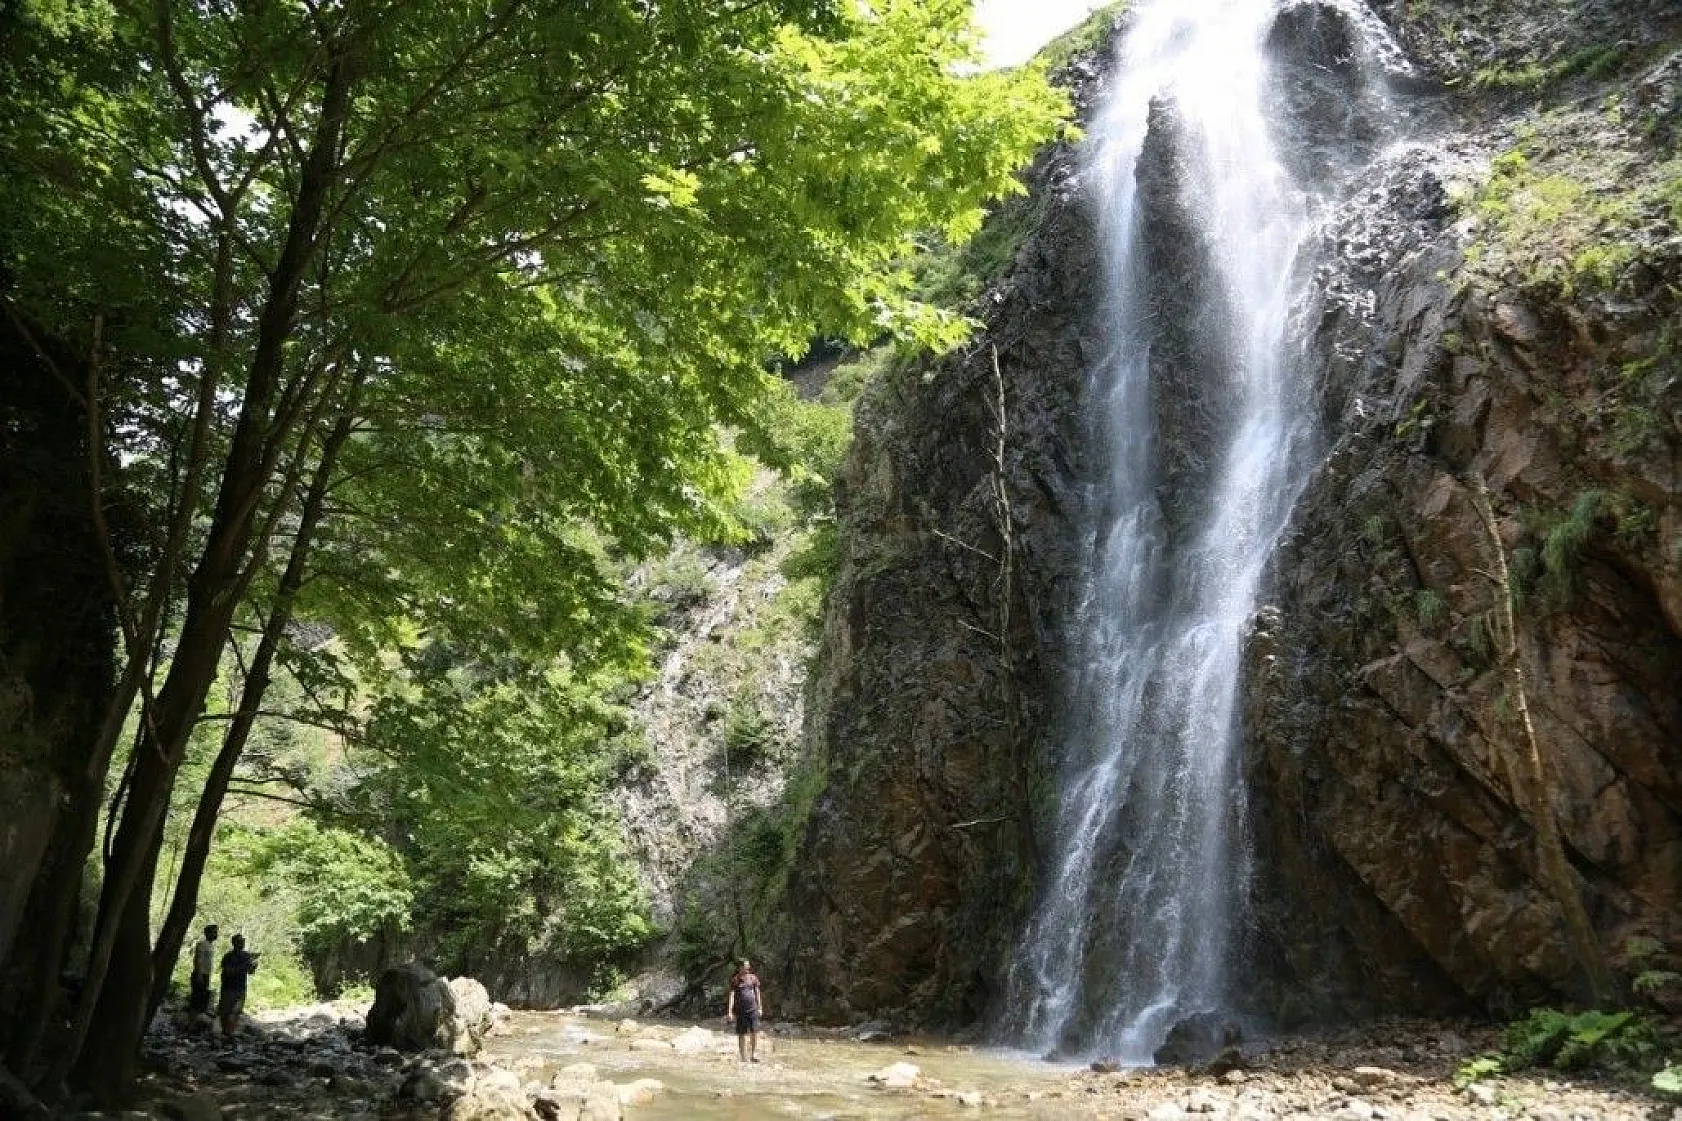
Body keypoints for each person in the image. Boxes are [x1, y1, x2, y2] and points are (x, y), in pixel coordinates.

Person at [217, 934, 260, 1037]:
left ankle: (229, 1034)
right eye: (240, 941)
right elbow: (227, 971)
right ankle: (226, 1033)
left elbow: (250, 972)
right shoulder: (228, 956)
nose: (242, 943)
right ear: (234, 943)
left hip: (240, 988)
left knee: (235, 1013)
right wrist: (245, 966)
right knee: (226, 1013)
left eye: (243, 941)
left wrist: (254, 966)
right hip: (228, 988)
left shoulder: (246, 956)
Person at [725, 958, 763, 1063]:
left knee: (754, 1032)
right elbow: (732, 996)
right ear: (740, 967)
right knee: (741, 1034)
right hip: (740, 1011)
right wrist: (729, 1011)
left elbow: (757, 993)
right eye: (746, 966)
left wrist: (760, 1007)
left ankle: (754, 1054)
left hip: (753, 1009)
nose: (748, 968)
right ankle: (743, 1057)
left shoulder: (753, 978)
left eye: (748, 966)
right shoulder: (735, 979)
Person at [189, 924, 218, 1016]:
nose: (216, 934)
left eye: (216, 932)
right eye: (214, 932)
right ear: (208, 933)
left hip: (206, 975)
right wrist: (199, 974)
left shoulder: (210, 945)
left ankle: (193, 1023)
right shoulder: (202, 944)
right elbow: (197, 959)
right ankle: (190, 1024)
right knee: (196, 1000)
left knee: (201, 1000)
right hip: (200, 975)